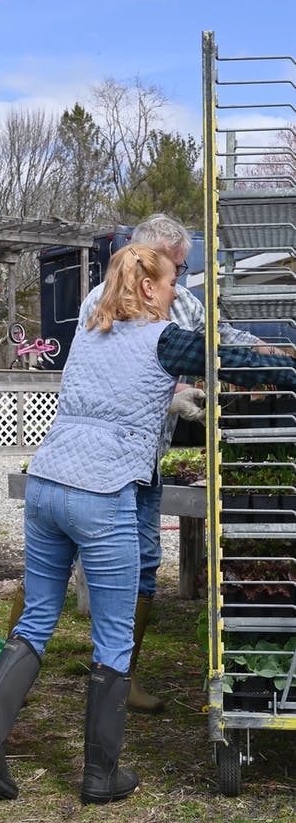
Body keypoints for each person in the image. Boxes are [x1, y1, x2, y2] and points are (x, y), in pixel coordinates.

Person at [0, 243, 295, 806]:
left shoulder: (89, 334)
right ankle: (100, 776)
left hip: (46, 486)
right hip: (103, 494)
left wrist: (176, 395)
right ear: (147, 287)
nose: (173, 294)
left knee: (38, 618)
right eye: (170, 284)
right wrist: (285, 361)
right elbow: (234, 360)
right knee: (113, 640)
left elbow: (124, 389)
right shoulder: (162, 338)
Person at [76, 213, 271, 713]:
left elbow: (218, 336)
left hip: (145, 457)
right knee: (81, 570)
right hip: (107, 462)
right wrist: (174, 397)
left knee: (141, 564)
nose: (181, 281)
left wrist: (268, 352)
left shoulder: (180, 301)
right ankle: (105, 679)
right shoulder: (97, 306)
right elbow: (110, 378)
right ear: (148, 267)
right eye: (176, 270)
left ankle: (124, 677)